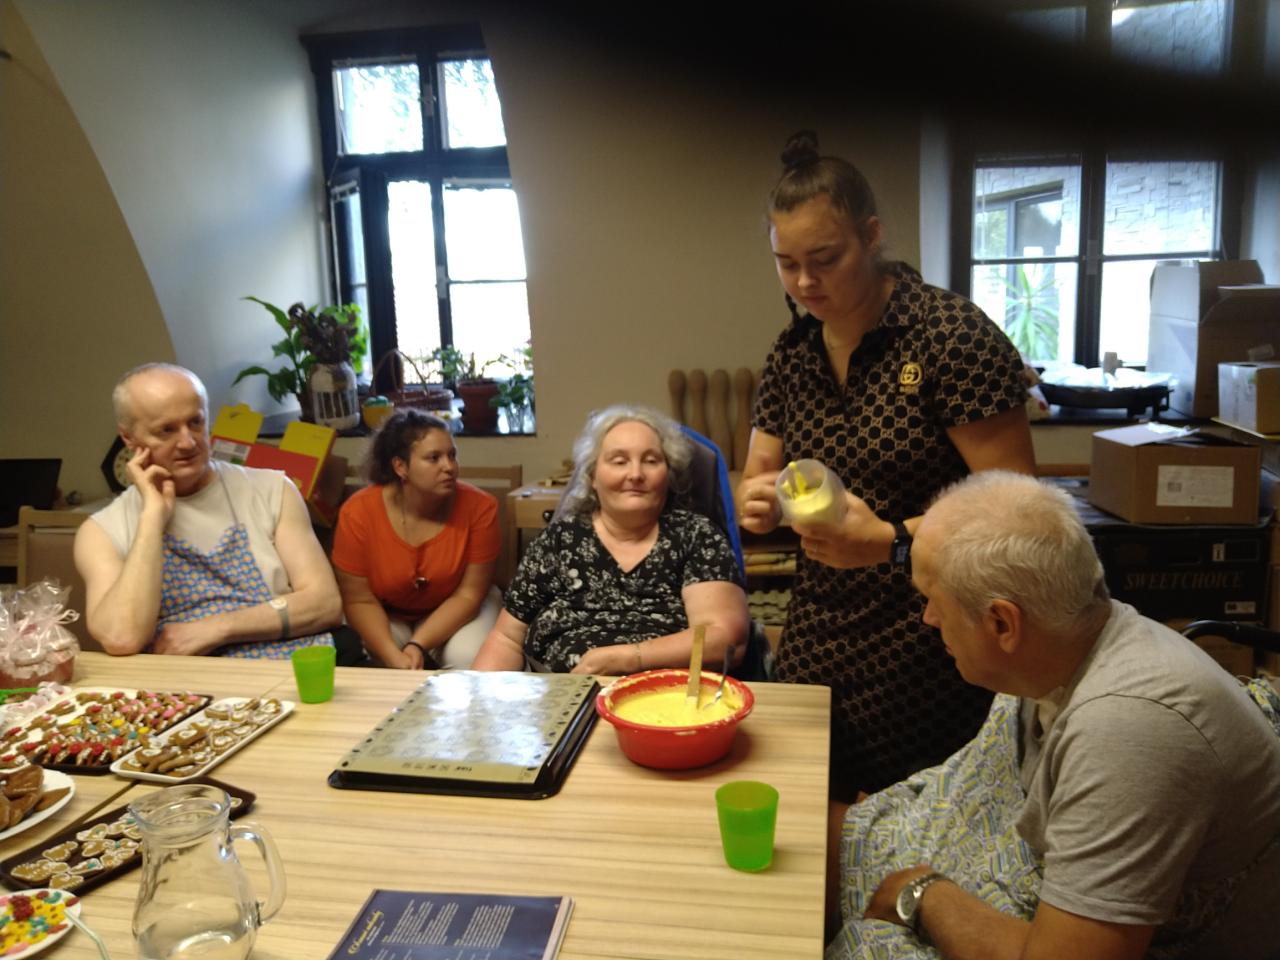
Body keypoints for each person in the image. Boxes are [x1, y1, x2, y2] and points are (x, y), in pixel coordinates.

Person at [827, 471, 1280, 960]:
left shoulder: (1129, 734)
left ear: (1002, 623)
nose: (928, 619)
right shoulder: (1060, 643)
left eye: (933, 600)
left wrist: (921, 893)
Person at [736, 130, 1037, 799]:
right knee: (812, 803)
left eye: (825, 259)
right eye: (787, 264)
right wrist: (757, 499)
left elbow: (1017, 505)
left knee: (917, 814)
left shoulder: (949, 336)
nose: (805, 282)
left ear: (870, 236)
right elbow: (759, 471)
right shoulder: (793, 352)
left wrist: (891, 542)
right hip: (821, 623)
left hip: (932, 629)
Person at [74, 363, 342, 657]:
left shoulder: (273, 490)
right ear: (128, 438)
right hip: (185, 681)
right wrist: (151, 518)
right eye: (166, 430)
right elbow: (122, 637)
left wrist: (217, 628)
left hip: (290, 666)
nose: (188, 442)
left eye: (195, 422)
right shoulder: (101, 531)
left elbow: (325, 604)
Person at [472, 405, 749, 674]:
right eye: (619, 461)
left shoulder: (696, 536)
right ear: (592, 476)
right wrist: (480, 700)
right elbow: (505, 639)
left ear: (668, 474)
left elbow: (725, 640)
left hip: (665, 696)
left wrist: (628, 658)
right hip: (562, 694)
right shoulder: (558, 541)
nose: (636, 474)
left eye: (651, 461)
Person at [330, 410, 501, 669]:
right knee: (365, 652)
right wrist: (392, 655)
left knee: (467, 656)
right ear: (400, 467)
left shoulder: (481, 507)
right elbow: (359, 600)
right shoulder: (357, 513)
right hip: (387, 612)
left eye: (452, 455)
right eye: (434, 458)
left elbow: (469, 595)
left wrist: (418, 644)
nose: (449, 467)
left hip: (459, 608)